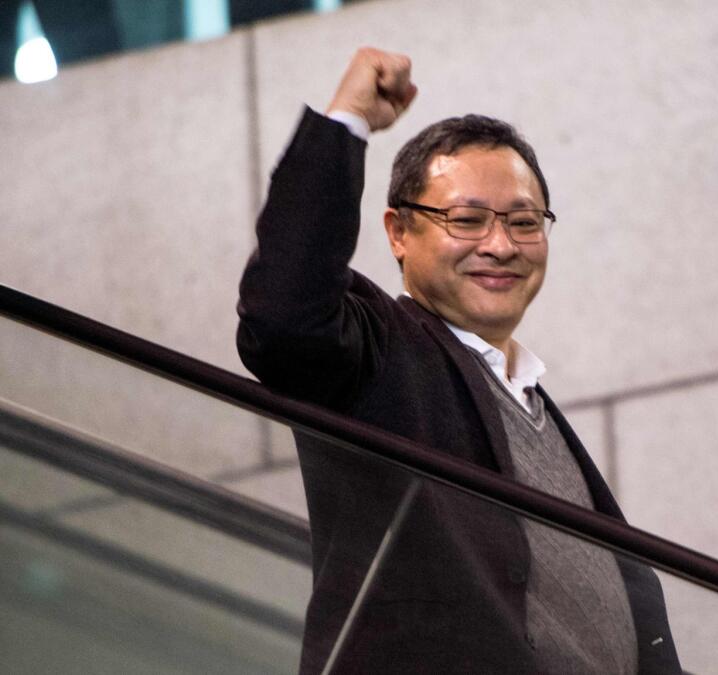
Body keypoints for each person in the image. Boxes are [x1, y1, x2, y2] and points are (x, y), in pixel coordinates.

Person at [237, 48, 680, 674]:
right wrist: (349, 121)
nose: (500, 245)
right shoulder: (380, 351)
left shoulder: (532, 401)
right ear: (398, 233)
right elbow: (283, 314)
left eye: (523, 222)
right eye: (466, 220)